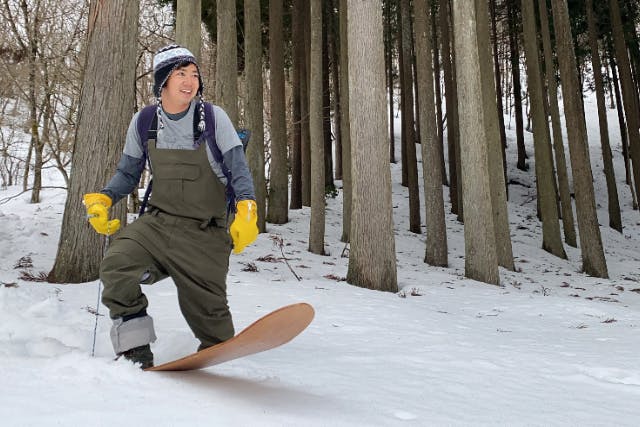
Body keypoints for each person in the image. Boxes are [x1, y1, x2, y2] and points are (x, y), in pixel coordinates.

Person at [82, 44, 258, 369]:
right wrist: (105, 197)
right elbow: (128, 172)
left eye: (194, 74)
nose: (190, 81)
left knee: (214, 328)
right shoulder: (144, 121)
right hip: (157, 224)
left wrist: (247, 209)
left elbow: (238, 170)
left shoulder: (214, 119)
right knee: (116, 265)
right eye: (181, 74)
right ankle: (135, 351)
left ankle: (212, 343)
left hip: (205, 232)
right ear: (162, 81)